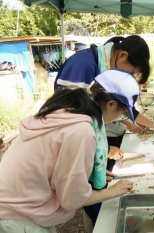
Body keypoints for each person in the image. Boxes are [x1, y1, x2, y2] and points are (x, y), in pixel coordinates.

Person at [54, 35, 154, 226]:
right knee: (100, 213)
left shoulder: (103, 68)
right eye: (131, 71)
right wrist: (99, 155)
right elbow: (69, 123)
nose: (129, 77)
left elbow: (124, 113)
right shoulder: (84, 66)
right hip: (27, 209)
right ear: (122, 55)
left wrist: (97, 167)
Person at [0, 69, 139, 233]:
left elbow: (53, 165)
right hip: (17, 217)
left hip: (12, 204)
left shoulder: (65, 110)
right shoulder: (81, 130)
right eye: (123, 112)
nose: (120, 117)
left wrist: (89, 175)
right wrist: (113, 191)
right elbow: (73, 199)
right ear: (110, 104)